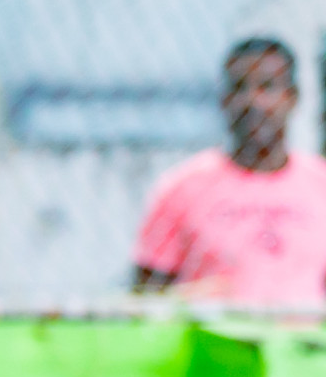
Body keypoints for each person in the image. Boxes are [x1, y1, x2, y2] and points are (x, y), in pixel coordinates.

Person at [133, 37, 326, 305]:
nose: (253, 101)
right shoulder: (182, 188)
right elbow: (143, 301)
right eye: (240, 88)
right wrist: (186, 300)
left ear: (292, 98)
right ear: (224, 100)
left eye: (267, 87)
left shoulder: (320, 185)